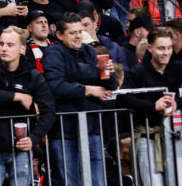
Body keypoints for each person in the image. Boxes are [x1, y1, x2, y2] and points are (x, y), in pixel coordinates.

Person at [42, 12, 117, 186]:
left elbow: (109, 87)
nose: (78, 36)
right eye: (72, 32)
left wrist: (109, 74)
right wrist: (87, 90)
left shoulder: (90, 51)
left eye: (80, 31)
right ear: (59, 35)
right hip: (65, 131)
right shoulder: (53, 53)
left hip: (92, 129)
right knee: (71, 181)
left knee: (98, 180)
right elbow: (55, 86)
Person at [0, 26, 56, 186]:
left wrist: (33, 139)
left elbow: (48, 111)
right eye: (1, 44)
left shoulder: (32, 75)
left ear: (22, 49)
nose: (4, 48)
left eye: (10, 45)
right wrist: (17, 96)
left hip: (21, 149)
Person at [121, 26, 182, 186]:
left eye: (169, 48)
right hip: (147, 138)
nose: (166, 52)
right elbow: (123, 98)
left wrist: (178, 104)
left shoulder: (178, 68)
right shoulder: (137, 72)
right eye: (161, 48)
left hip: (177, 137)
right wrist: (152, 106)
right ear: (150, 47)